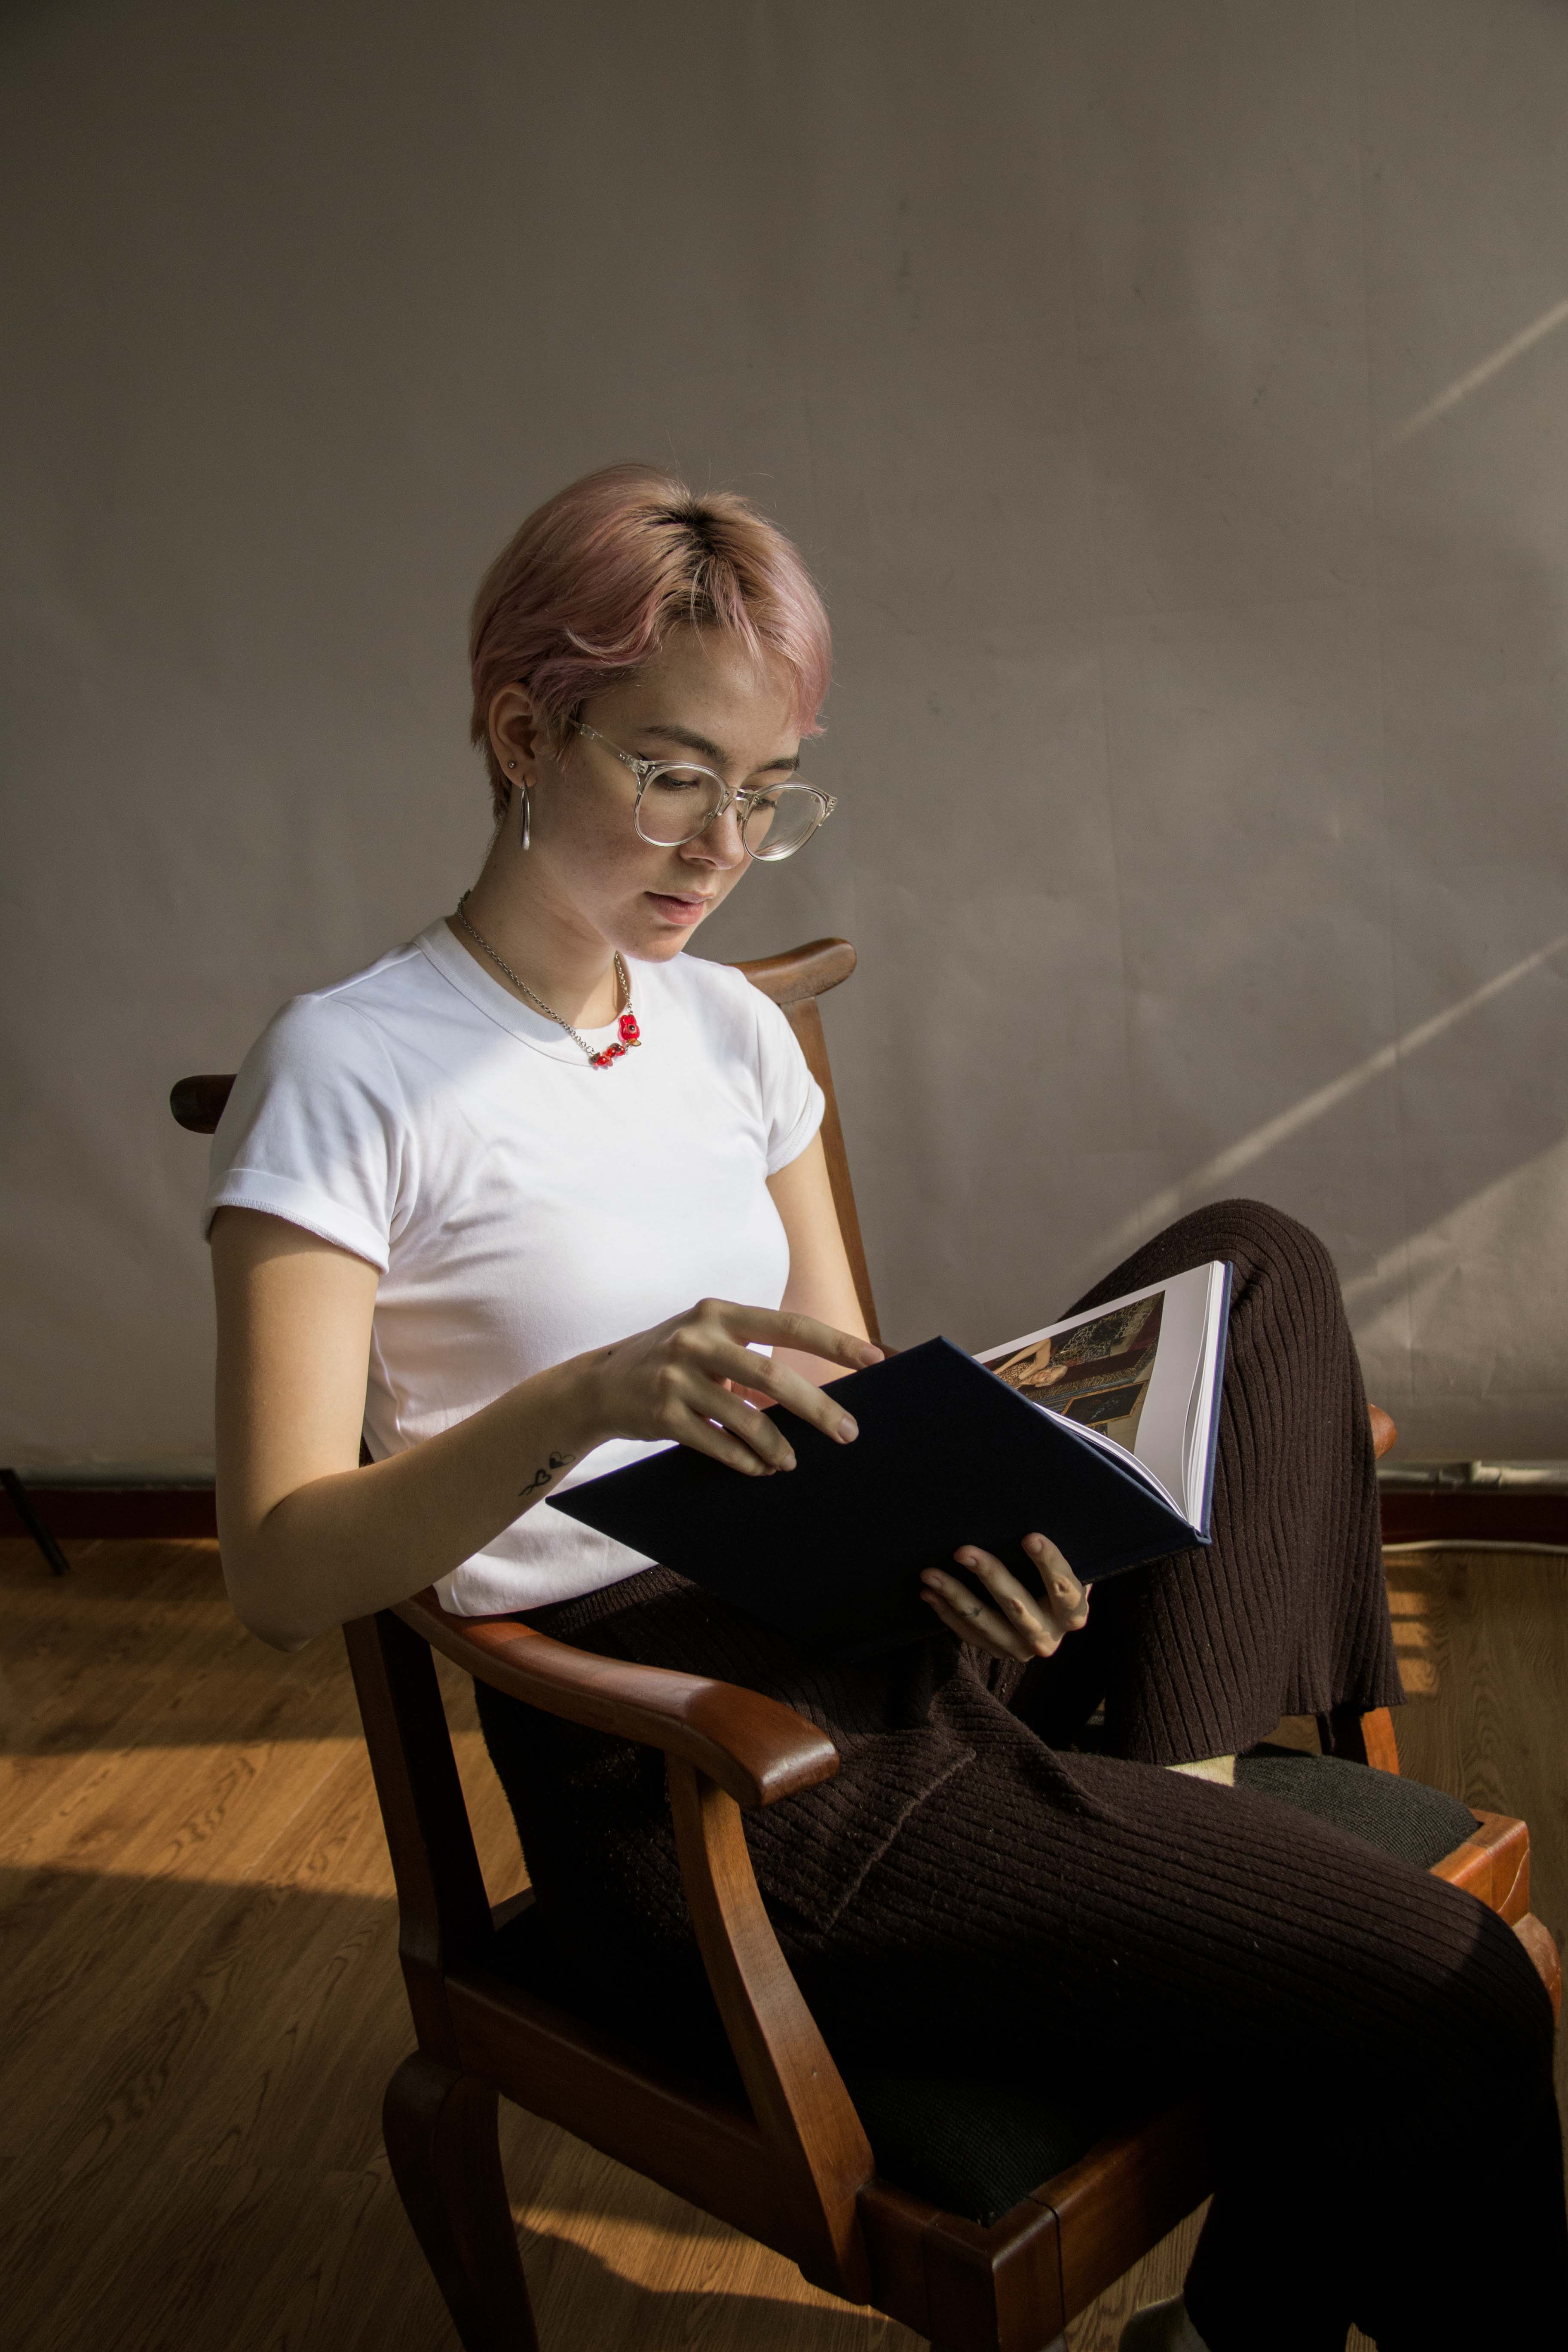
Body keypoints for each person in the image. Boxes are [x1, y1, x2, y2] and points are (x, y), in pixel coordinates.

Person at [207, 463, 1565, 2352]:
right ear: (522, 727)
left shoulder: (725, 1030)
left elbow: (850, 1390)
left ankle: (1154, 1815)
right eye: (673, 774)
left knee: (1260, 1259)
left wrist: (989, 1538)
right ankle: (1174, 1920)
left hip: (875, 1630)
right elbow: (277, 1566)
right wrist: (579, 1403)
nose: (720, 847)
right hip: (701, 1764)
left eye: (764, 794)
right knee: (1456, 1986)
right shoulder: (349, 1068)